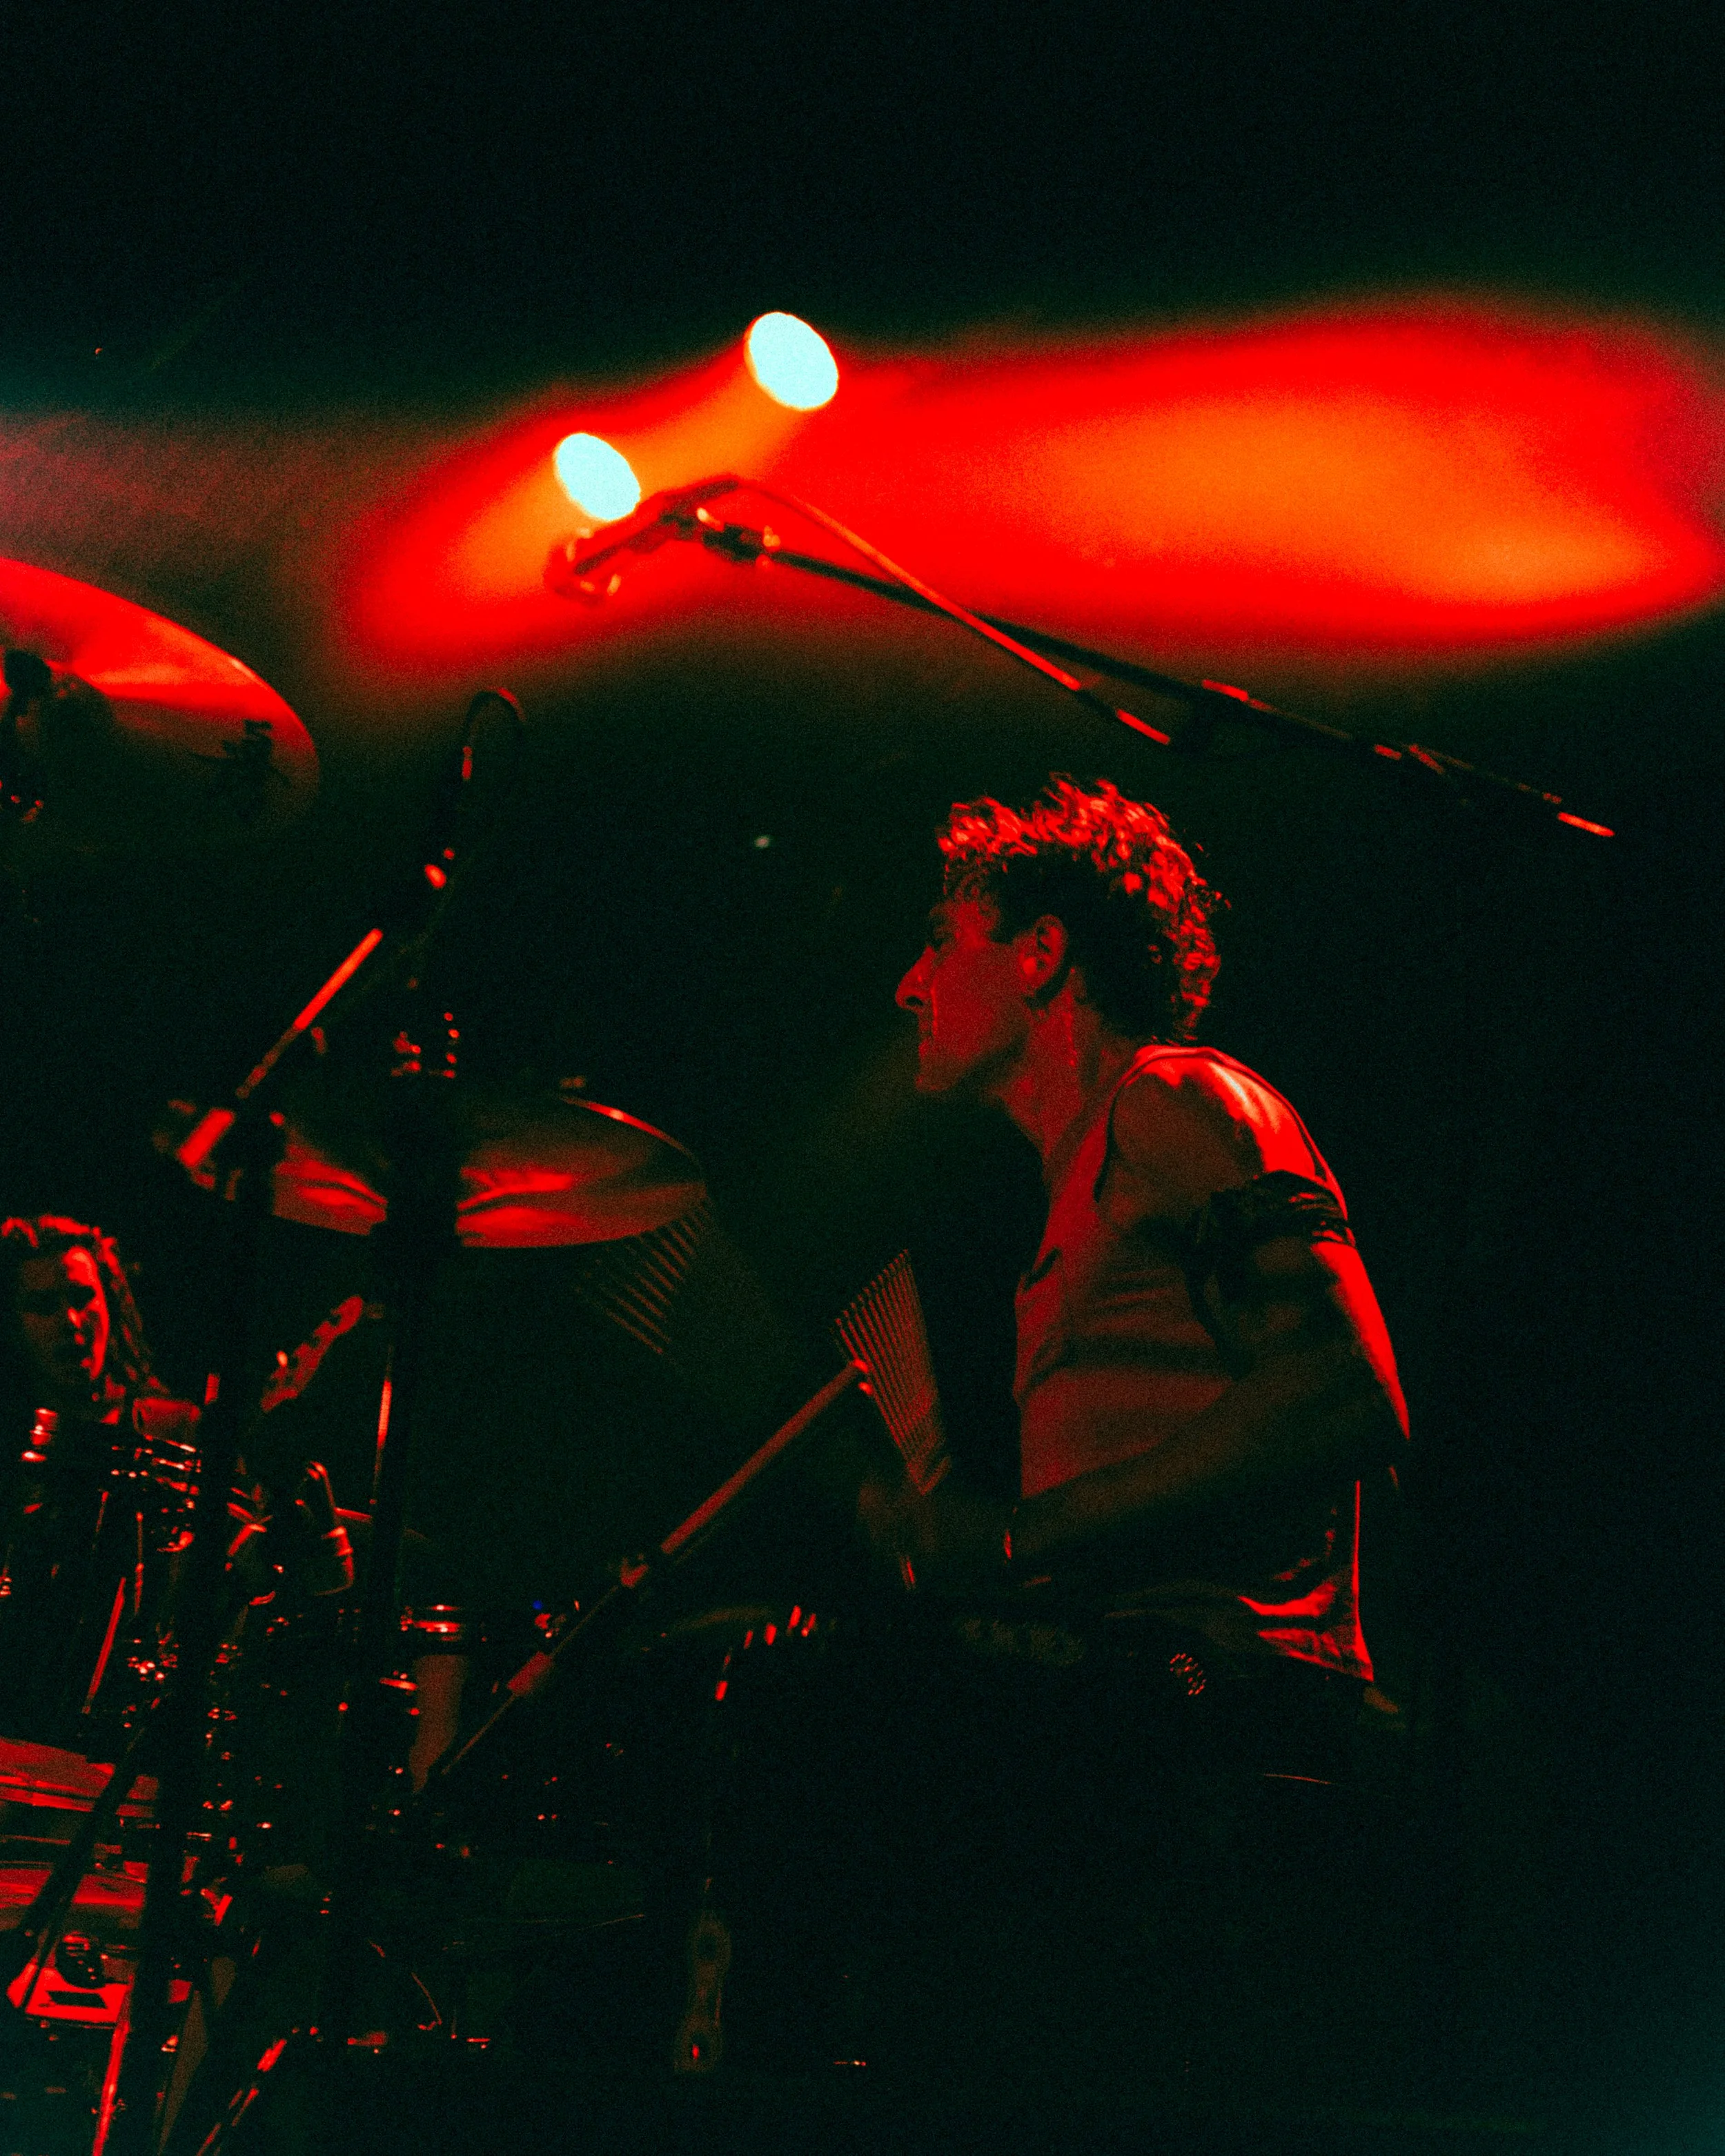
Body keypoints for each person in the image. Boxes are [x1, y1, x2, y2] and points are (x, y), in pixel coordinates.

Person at [851, 775, 1413, 2098]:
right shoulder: (1068, 1200)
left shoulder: (1178, 1102)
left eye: (942, 938)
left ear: (1043, 952)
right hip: (1145, 1750)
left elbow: (1351, 1396)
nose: (907, 983)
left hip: (1236, 1763)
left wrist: (1027, 1534)